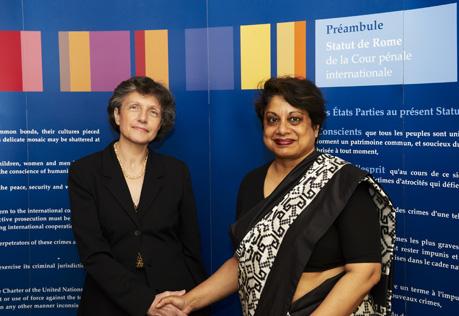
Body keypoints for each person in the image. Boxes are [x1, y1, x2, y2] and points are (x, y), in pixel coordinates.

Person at [156, 77, 395, 315]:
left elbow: (366, 273)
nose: (282, 129)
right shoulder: (251, 183)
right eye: (273, 120)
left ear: (315, 127)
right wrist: (188, 302)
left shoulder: (343, 184)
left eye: (295, 119)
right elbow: (245, 263)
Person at [68, 76, 208, 316]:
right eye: (134, 107)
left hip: (172, 302)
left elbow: (190, 246)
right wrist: (145, 302)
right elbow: (93, 252)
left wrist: (192, 302)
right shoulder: (85, 172)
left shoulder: (176, 172)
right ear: (117, 115)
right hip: (109, 300)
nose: (143, 118)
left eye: (153, 112)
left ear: (160, 123)